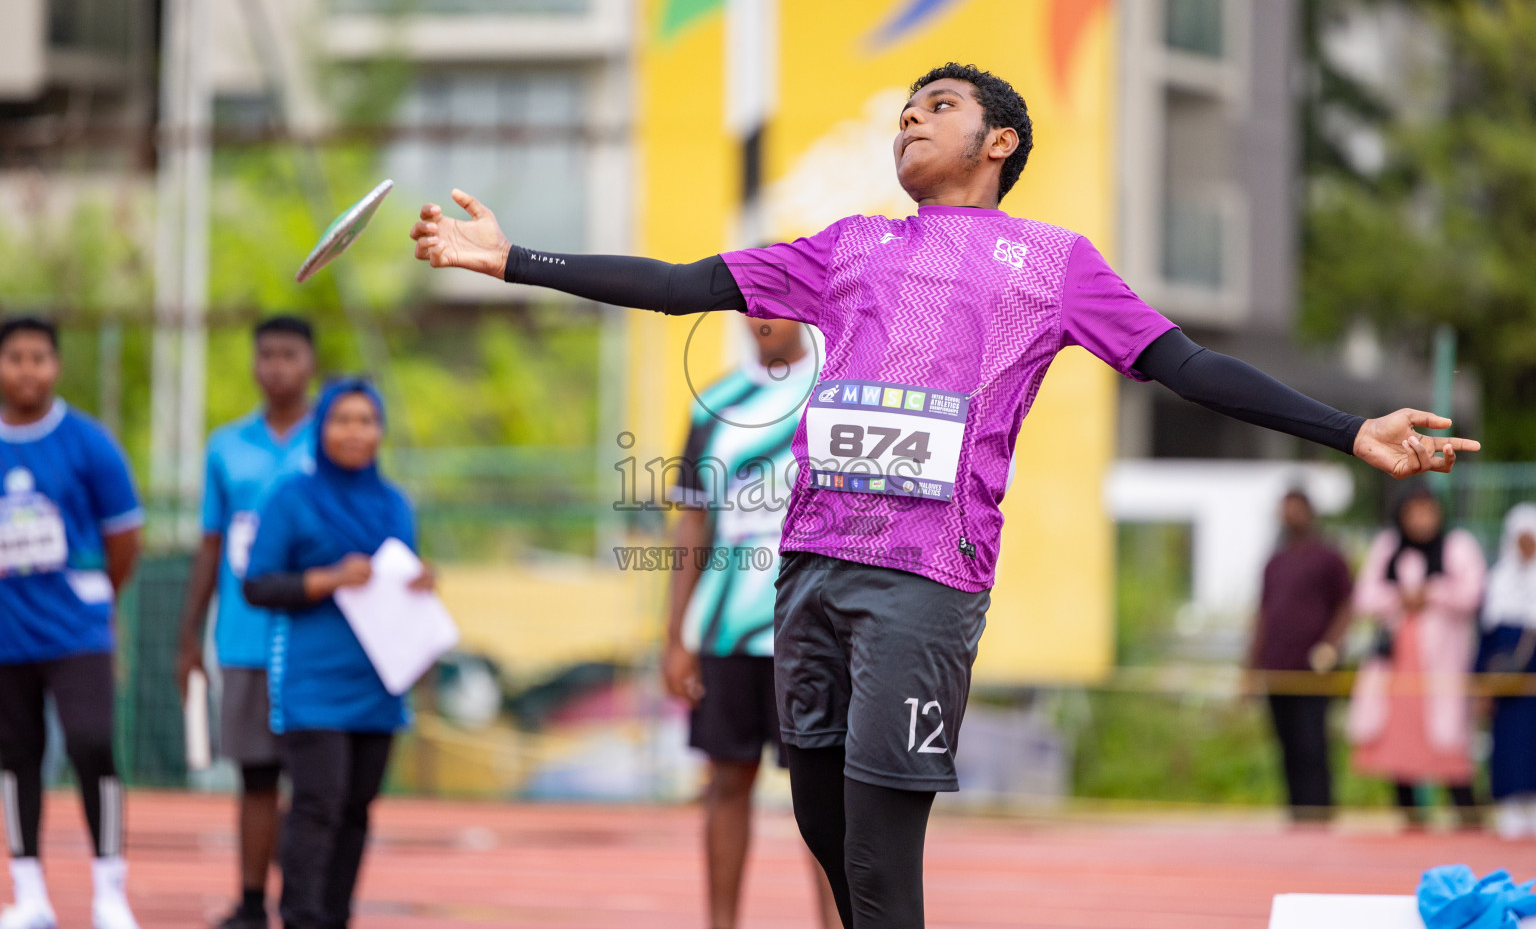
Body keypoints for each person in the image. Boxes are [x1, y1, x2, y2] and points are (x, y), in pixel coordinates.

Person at [408, 61, 1477, 928]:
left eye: (938, 108)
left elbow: (1189, 368)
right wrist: (516, 261)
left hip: (925, 579)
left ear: (998, 140)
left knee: (879, 858)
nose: (909, 122)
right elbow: (686, 284)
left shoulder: (1054, 263)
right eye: (904, 111)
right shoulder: (851, 245)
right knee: (826, 833)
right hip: (810, 568)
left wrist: (1349, 430)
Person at [665, 315, 839, 929]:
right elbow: (692, 524)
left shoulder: (835, 392)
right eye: (752, 304)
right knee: (726, 782)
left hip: (815, 632)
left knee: (824, 796)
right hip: (727, 633)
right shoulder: (713, 405)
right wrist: (676, 639)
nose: (765, 315)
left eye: (779, 300)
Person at [242, 379, 433, 929]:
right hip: (313, 683)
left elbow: (400, 575)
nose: (355, 432)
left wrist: (423, 582)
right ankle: (300, 917)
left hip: (379, 682)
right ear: (321, 429)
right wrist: (328, 579)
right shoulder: (291, 498)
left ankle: (335, 916)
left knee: (356, 809)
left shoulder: (395, 503)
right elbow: (258, 584)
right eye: (341, 420)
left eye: (366, 421)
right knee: (317, 803)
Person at [0, 316, 144, 929]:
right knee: (16, 756)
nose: (27, 369)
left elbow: (126, 536)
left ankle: (109, 889)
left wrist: (96, 595)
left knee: (91, 743)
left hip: (78, 631)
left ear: (56, 365)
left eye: (39, 357)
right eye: (14, 357)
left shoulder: (87, 441)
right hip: (7, 632)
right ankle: (28, 890)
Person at [175, 315, 317, 929]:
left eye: (289, 354)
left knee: (315, 786)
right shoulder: (226, 446)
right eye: (266, 355)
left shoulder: (335, 437)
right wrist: (188, 637)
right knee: (256, 777)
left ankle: (309, 904)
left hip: (316, 639)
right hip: (245, 638)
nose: (277, 367)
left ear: (310, 362)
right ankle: (253, 904)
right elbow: (210, 545)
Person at [1348, 487, 1485, 830]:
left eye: (1428, 511)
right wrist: (1401, 597)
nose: (1421, 520)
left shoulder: (1458, 546)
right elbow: (1364, 597)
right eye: (1414, 512)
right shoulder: (1388, 546)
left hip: (1441, 664)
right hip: (1396, 665)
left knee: (1449, 748)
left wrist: (1433, 593)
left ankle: (1469, 822)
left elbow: (1472, 594)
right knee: (1399, 745)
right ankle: (1410, 821)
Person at [1246, 489, 1354, 823]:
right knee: (1287, 745)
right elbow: (1263, 614)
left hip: (1313, 671)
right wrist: (1251, 666)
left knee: (1313, 745)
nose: (1290, 514)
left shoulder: (1329, 557)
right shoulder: (1274, 562)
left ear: (1310, 512)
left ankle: (1319, 814)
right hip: (1277, 668)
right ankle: (1295, 814)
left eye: (1296, 508)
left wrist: (1330, 645)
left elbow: (1346, 605)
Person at [1476, 503, 1536, 838]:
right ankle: (1510, 815)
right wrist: (1483, 686)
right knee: (1509, 751)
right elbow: (1485, 642)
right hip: (1508, 692)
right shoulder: (1498, 581)